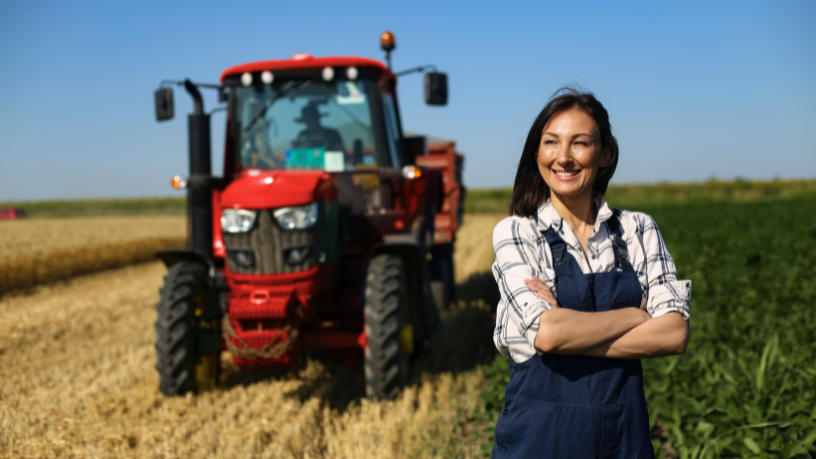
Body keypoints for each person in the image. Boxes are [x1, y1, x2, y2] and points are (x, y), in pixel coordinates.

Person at [491, 89, 691, 458]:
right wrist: (635, 316)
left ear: (604, 154)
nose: (563, 157)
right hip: (539, 442)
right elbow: (548, 334)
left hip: (622, 442)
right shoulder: (517, 232)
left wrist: (570, 331)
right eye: (551, 142)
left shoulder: (639, 229)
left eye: (580, 143)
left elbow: (675, 333)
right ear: (536, 152)